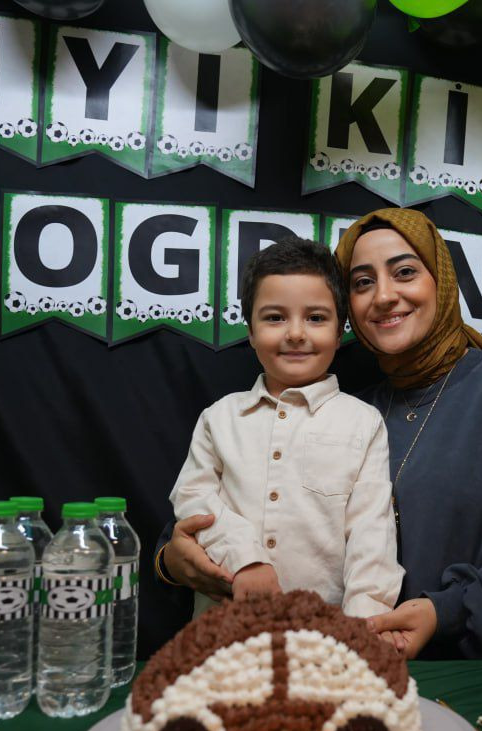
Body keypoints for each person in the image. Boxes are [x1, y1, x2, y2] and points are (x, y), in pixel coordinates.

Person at [157, 209, 482, 660]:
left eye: (405, 272)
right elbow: (229, 504)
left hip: (460, 669)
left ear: (441, 281)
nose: (385, 296)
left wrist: (445, 611)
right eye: (363, 282)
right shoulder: (350, 404)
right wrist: (171, 560)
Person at [165, 237, 402, 618]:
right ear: (251, 331)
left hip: (322, 635)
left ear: (339, 332)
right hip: (223, 632)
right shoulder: (219, 418)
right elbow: (194, 500)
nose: (295, 333)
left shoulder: (363, 422)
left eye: (316, 318)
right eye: (275, 317)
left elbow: (371, 535)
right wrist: (245, 558)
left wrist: (363, 629)